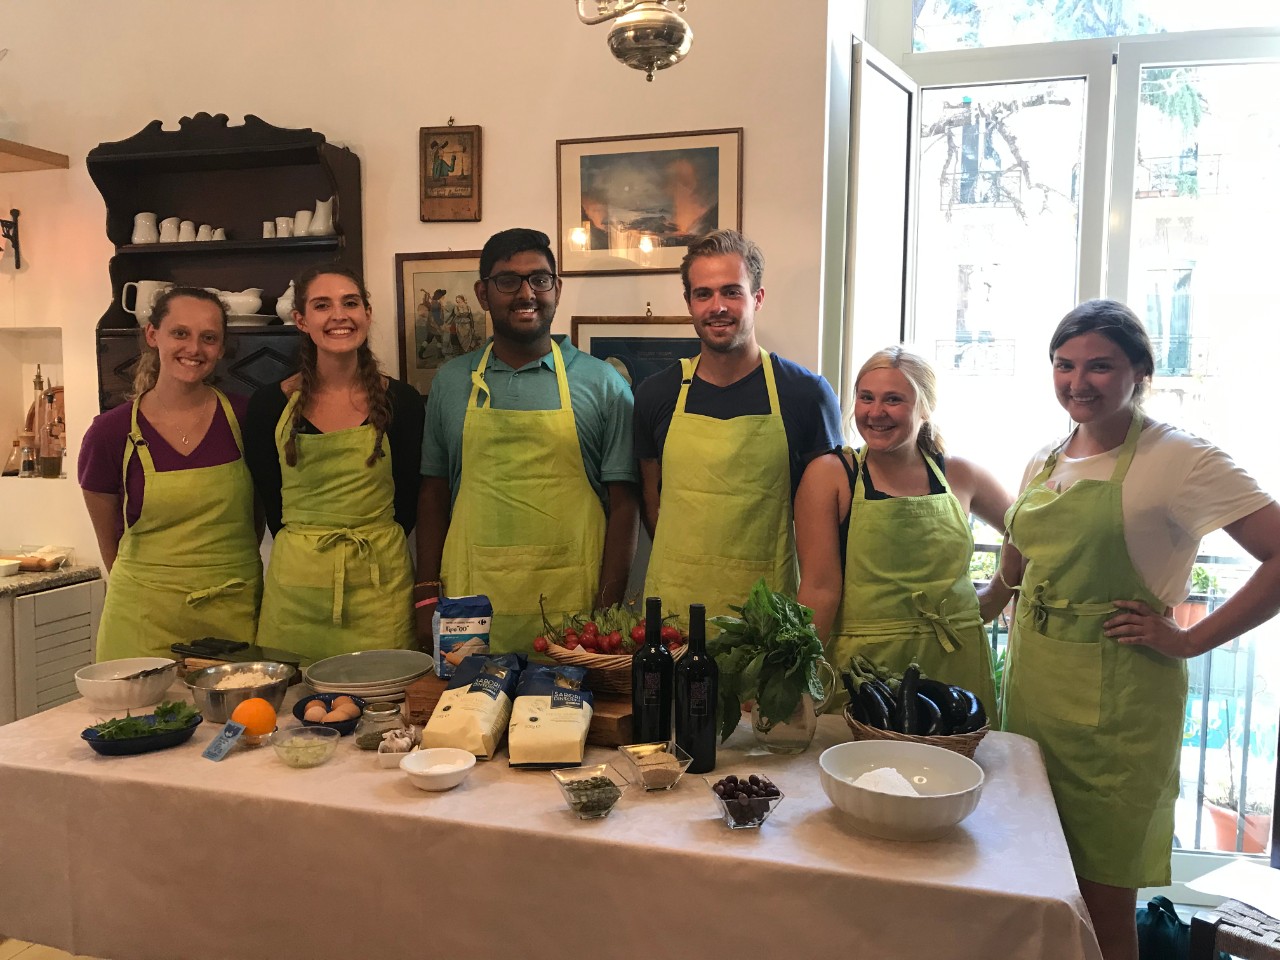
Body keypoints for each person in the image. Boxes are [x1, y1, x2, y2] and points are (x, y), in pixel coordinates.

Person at [983, 300, 1280, 960]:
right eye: (1064, 365)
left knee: (1102, 898)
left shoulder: (1179, 459)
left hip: (1117, 712)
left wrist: (1188, 640)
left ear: (1140, 371)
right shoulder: (1046, 457)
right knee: (1037, 880)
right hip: (1035, 697)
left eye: (1099, 366)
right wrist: (994, 593)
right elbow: (1020, 549)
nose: (1077, 381)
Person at [416, 228, 638, 654]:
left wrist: (606, 613)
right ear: (483, 294)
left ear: (557, 288)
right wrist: (426, 592)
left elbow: (625, 504)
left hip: (573, 611)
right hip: (469, 605)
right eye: (508, 281)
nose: (527, 293)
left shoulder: (603, 384)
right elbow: (433, 491)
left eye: (540, 279)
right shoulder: (450, 382)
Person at [636, 229, 842, 625]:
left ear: (757, 298)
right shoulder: (655, 395)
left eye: (732, 291)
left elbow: (825, 526)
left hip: (766, 623)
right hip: (675, 617)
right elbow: (652, 502)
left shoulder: (804, 394)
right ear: (689, 302)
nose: (718, 306)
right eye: (704, 294)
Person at [795, 347, 1010, 711]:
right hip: (864, 671)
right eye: (866, 398)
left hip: (956, 664)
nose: (876, 412)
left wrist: (996, 594)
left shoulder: (960, 474)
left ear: (925, 408)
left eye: (893, 400)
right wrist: (795, 675)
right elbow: (819, 588)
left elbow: (1031, 533)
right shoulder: (833, 474)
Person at [244, 264, 424, 663]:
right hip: (296, 593)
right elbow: (271, 501)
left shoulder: (404, 403)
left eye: (351, 303)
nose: (339, 315)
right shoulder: (269, 405)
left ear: (367, 314)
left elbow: (409, 499)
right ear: (301, 321)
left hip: (380, 590)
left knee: (386, 705)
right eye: (322, 305)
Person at [79, 287, 262, 660]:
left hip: (233, 612)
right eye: (180, 333)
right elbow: (109, 536)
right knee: (138, 719)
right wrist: (158, 584)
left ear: (221, 348)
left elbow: (257, 517)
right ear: (152, 335)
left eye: (208, 338)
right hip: (142, 618)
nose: (194, 348)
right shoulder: (110, 433)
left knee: (240, 719)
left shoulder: (249, 419)